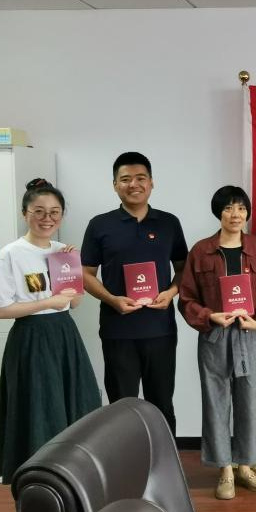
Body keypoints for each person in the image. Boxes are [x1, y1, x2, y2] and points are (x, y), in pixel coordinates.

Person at [0, 179, 101, 484]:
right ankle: (37, 482)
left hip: (65, 336)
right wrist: (47, 302)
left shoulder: (63, 252)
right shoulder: (10, 255)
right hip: (31, 339)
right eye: (39, 211)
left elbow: (74, 303)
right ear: (25, 213)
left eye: (54, 212)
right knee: (38, 408)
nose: (47, 218)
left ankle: (72, 480)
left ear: (61, 215)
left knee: (78, 403)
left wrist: (74, 269)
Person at [178, 186, 256, 499]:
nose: (235, 215)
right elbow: (186, 298)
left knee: (249, 401)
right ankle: (224, 469)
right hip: (215, 335)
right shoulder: (201, 251)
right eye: (228, 208)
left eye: (240, 208)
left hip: (250, 335)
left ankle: (246, 466)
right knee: (216, 401)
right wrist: (209, 316)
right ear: (218, 213)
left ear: (247, 212)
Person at [81, 152, 188, 434]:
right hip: (118, 331)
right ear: (115, 185)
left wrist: (171, 292)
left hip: (160, 330)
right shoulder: (100, 225)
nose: (134, 184)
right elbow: (85, 274)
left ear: (151, 182)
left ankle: (164, 460)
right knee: (121, 408)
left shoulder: (169, 223)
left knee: (161, 404)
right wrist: (112, 299)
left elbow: (183, 268)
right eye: (125, 179)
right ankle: (124, 460)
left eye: (141, 178)